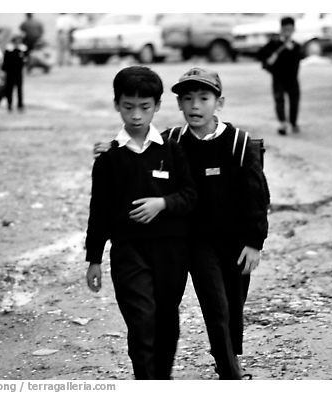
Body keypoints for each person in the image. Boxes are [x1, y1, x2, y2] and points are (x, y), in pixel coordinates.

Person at [94, 67, 270, 379]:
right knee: (214, 306)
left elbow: (258, 198)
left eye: (204, 98)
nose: (195, 106)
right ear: (177, 104)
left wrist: (255, 242)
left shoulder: (239, 144)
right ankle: (229, 372)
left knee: (232, 304)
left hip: (233, 241)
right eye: (187, 99)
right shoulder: (173, 140)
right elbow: (139, 150)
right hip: (192, 240)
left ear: (219, 102)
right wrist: (110, 149)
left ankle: (230, 358)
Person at [84, 66, 197, 380]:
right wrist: (94, 258)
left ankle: (163, 378)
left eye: (145, 107)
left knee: (165, 319)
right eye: (128, 106)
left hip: (171, 250)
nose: (136, 115)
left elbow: (190, 196)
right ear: (116, 104)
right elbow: (100, 210)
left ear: (157, 106)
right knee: (141, 319)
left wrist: (163, 203)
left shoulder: (173, 150)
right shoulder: (109, 157)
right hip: (128, 251)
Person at [258, 16, 304, 136]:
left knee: (294, 101)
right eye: (285, 29)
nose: (288, 32)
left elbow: (299, 59)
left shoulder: (296, 46)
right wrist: (270, 60)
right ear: (281, 29)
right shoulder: (274, 44)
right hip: (278, 77)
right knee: (279, 100)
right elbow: (262, 54)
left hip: (293, 79)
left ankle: (293, 123)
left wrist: (292, 50)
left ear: (294, 29)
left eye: (290, 29)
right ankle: (283, 123)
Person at [1, 35, 27, 112]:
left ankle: (20, 104)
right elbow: (5, 62)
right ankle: (9, 104)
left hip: (18, 72)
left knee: (19, 89)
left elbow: (25, 60)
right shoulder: (9, 50)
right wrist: (3, 72)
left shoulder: (22, 49)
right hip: (10, 72)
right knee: (9, 89)